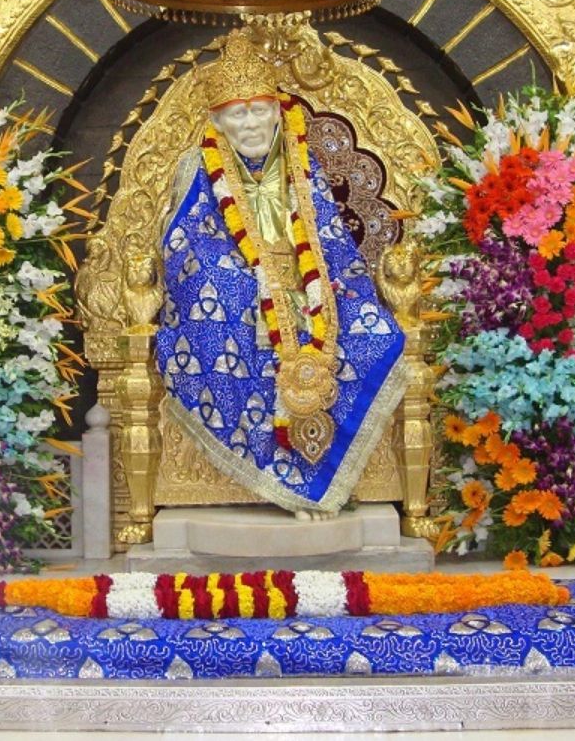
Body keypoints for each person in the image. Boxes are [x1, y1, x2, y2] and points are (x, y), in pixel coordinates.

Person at [156, 31, 409, 518]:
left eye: (259, 110)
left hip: (311, 286)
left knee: (377, 333)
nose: (250, 123)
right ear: (217, 120)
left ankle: (334, 473)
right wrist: (246, 282)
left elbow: (331, 239)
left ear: (278, 111)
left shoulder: (301, 162)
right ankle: (286, 480)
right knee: (236, 327)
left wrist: (328, 289)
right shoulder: (198, 166)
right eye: (237, 113)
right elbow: (184, 244)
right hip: (238, 296)